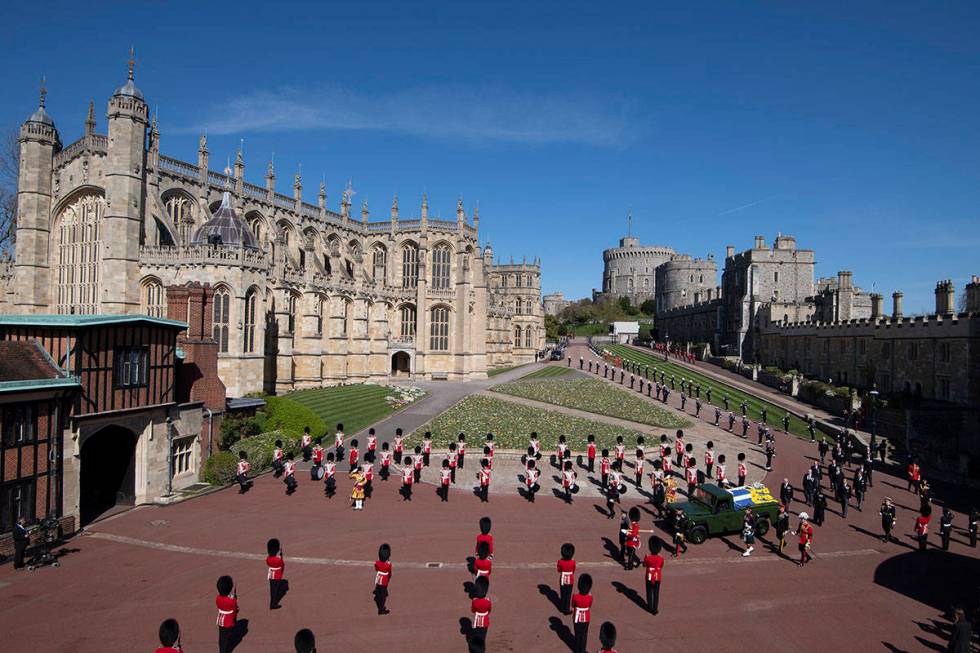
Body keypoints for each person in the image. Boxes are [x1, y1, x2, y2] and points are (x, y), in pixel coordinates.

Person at [571, 573, 594, 653]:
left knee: (577, 634)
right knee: (584, 635)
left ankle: (577, 650)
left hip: (576, 617)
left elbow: (573, 605)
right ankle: (582, 650)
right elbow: (590, 605)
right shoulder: (590, 596)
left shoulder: (575, 596)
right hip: (586, 617)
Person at [215, 575, 239, 653]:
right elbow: (235, 609)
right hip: (228, 620)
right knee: (225, 638)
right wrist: (234, 599)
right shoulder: (231, 600)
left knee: (222, 637)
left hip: (220, 618)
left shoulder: (218, 598)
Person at [643, 536, 665, 614]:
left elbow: (645, 565)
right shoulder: (661, 558)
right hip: (657, 576)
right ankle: (655, 609)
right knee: (656, 593)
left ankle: (649, 607)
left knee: (649, 592)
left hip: (649, 575)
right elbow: (661, 566)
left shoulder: (647, 557)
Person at [470, 576, 492, 644]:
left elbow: (473, 610)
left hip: (477, 620)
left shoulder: (474, 601)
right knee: (483, 635)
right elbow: (489, 610)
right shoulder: (488, 601)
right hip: (485, 620)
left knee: (477, 634)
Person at [557, 543, 576, 615]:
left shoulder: (560, 562)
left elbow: (559, 570)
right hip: (570, 579)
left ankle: (562, 607)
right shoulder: (573, 562)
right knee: (568, 595)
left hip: (562, 578)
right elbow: (573, 570)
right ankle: (566, 609)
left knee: (563, 593)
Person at [374, 543, 392, 615]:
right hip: (384, 580)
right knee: (383, 595)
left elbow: (376, 569)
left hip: (378, 578)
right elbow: (389, 573)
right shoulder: (388, 564)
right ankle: (381, 610)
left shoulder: (377, 563)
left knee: (379, 589)